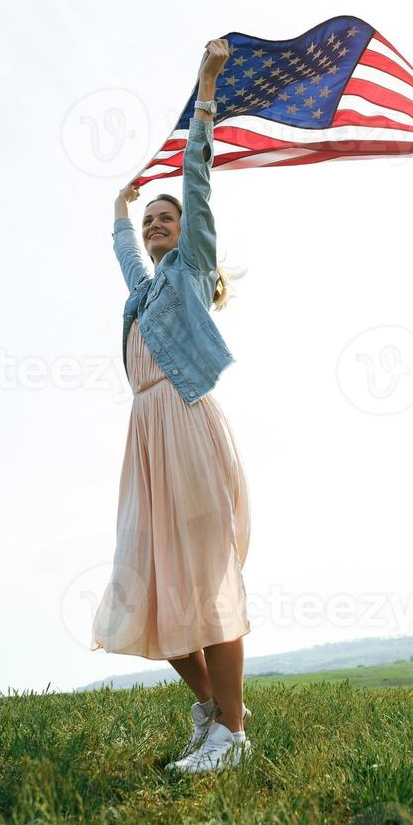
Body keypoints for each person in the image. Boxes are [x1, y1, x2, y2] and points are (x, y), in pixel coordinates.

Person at [90, 39, 253, 774]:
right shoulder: (140, 292)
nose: (158, 226)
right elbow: (123, 249)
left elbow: (197, 179)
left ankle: (232, 736)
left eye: (166, 219)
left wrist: (206, 86)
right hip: (146, 437)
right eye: (152, 223)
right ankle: (218, 711)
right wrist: (119, 208)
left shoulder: (187, 270)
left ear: (186, 235)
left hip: (186, 421)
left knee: (204, 577)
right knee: (149, 586)